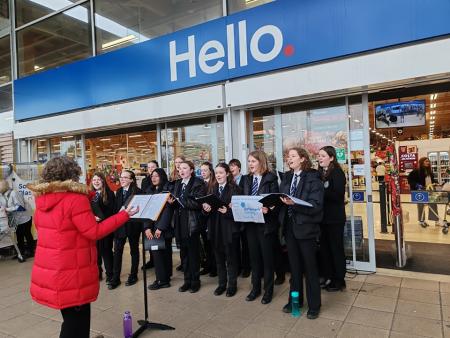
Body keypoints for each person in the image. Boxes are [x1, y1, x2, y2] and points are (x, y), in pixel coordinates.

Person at [27, 156, 137, 338]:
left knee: (70, 319)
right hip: (73, 271)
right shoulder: (75, 200)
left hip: (54, 269)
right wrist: (123, 215)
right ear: (72, 174)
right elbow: (94, 232)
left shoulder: (43, 199)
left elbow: (48, 228)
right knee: (77, 323)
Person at [279, 147, 323, 319]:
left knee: (310, 269)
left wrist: (294, 204)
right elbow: (282, 198)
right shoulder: (287, 177)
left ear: (303, 159)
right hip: (290, 229)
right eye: (288, 156)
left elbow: (316, 206)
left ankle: (314, 305)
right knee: (294, 269)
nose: (289, 159)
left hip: (307, 229)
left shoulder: (313, 178)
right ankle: (294, 302)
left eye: (292, 156)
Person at [241, 150, 279, 304]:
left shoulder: (271, 178)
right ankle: (255, 289)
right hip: (250, 224)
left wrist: (268, 208)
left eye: (253, 161)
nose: (250, 164)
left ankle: (268, 291)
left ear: (261, 162)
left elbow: (276, 200)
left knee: (267, 259)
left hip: (265, 225)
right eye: (249, 161)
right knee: (254, 259)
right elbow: (242, 197)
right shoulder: (246, 179)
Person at [202, 163, 242, 297]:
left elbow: (239, 211)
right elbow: (206, 210)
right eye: (216, 173)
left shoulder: (235, 189)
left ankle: (232, 285)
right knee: (218, 259)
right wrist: (206, 209)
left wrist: (228, 211)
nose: (218, 175)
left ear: (227, 174)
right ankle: (221, 284)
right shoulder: (212, 188)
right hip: (215, 228)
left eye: (221, 173)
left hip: (229, 229)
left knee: (231, 259)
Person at [170, 160, 206, 293]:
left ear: (191, 170)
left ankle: (195, 281)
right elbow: (176, 203)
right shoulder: (178, 183)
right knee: (183, 254)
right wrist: (172, 202)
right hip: (180, 222)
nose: (181, 170)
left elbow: (198, 203)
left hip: (191, 223)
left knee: (193, 254)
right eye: (179, 168)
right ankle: (187, 280)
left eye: (184, 168)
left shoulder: (198, 183)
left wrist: (181, 201)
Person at [109, 170, 145, 289]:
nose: (122, 179)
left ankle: (133, 275)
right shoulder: (118, 191)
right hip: (120, 226)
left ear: (131, 180)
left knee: (134, 250)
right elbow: (115, 209)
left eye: (125, 177)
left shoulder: (138, 192)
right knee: (117, 251)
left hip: (133, 226)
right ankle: (115, 277)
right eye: (121, 177)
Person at [317, 146, 347, 292]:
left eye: (323, 156)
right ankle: (328, 276)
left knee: (336, 249)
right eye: (319, 156)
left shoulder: (337, 173)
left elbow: (337, 195)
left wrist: (321, 190)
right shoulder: (319, 173)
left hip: (335, 219)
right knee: (325, 250)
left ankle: (339, 279)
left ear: (332, 157)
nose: (319, 158)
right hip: (322, 219)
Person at [145, 168, 174, 290]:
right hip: (152, 228)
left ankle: (162, 280)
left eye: (156, 176)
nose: (154, 178)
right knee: (157, 254)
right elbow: (146, 210)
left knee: (164, 254)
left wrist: (160, 228)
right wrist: (146, 227)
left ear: (162, 177)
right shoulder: (149, 190)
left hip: (162, 228)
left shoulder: (167, 190)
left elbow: (168, 211)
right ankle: (164, 278)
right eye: (152, 176)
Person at [90, 172, 116, 284]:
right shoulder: (90, 195)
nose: (96, 182)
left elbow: (112, 211)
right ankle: (98, 273)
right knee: (96, 253)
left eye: (98, 180)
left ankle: (110, 274)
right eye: (94, 180)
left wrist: (101, 218)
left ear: (103, 181)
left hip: (106, 228)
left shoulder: (109, 194)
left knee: (106, 252)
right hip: (94, 228)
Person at [0, 179, 34, 260]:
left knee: (26, 234)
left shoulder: (14, 193)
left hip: (24, 218)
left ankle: (31, 251)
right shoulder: (3, 195)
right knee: (19, 236)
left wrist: (7, 209)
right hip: (16, 219)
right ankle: (20, 252)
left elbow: (20, 207)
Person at [229, 158, 250, 278]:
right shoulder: (229, 181)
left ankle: (246, 268)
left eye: (234, 166)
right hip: (233, 217)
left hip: (245, 215)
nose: (232, 168)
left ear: (239, 168)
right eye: (230, 166)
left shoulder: (246, 179)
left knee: (246, 243)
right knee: (235, 244)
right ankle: (237, 268)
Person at [408, 157, 439, 227]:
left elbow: (432, 180)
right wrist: (417, 185)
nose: (428, 163)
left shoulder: (430, 172)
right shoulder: (416, 171)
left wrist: (436, 183)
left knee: (433, 204)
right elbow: (410, 180)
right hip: (420, 190)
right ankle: (421, 220)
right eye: (426, 161)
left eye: (428, 161)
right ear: (422, 162)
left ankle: (436, 220)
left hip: (431, 189)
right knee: (421, 205)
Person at [199, 161, 217, 277]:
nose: (203, 172)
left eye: (205, 170)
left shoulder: (214, 184)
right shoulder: (200, 183)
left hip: (212, 218)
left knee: (212, 244)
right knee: (205, 243)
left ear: (210, 171)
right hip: (202, 216)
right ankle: (207, 265)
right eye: (201, 170)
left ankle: (214, 267)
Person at [141, 160, 159, 270]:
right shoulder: (145, 181)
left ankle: (157, 261)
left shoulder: (159, 179)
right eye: (149, 167)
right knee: (149, 237)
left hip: (158, 213)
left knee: (157, 240)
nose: (151, 169)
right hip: (148, 212)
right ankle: (152, 260)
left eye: (153, 167)